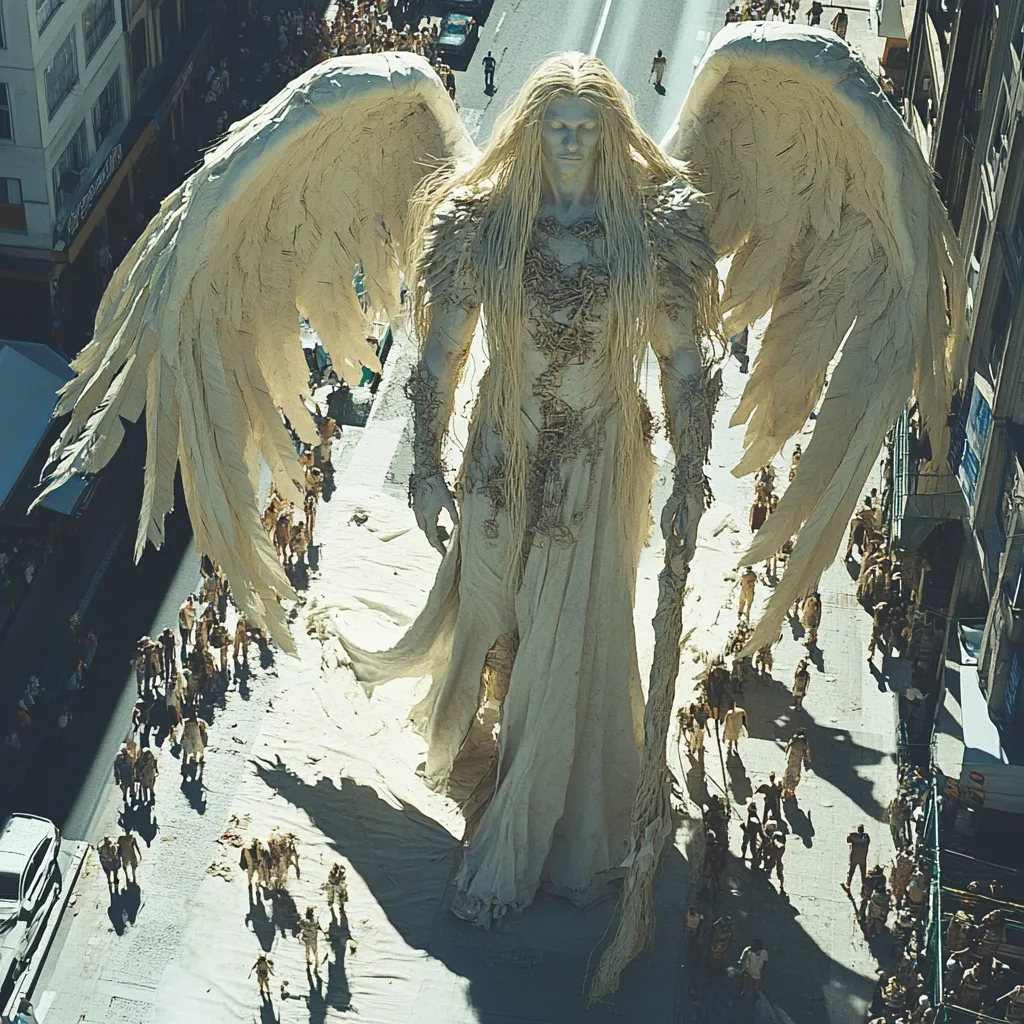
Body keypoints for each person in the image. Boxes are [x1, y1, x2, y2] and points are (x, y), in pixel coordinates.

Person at [341, 53, 723, 923]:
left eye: (588, 127)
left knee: (560, 651)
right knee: (488, 616)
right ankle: (477, 750)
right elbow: (440, 356)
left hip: (593, 475)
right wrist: (427, 469)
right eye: (557, 124)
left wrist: (690, 475)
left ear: (614, 131)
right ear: (530, 127)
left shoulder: (651, 232)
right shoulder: (484, 225)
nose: (572, 140)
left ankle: (525, 849)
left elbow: (683, 361)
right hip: (498, 455)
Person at [782, 727, 810, 798]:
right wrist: (806, 760)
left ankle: (786, 786)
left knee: (790, 772)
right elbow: (806, 752)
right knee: (795, 775)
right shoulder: (804, 742)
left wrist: (786, 755)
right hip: (797, 760)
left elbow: (788, 746)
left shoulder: (794, 739)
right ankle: (790, 789)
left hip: (791, 759)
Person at [843, 824, 870, 891]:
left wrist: (851, 833)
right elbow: (868, 840)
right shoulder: (866, 837)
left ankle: (848, 885)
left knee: (851, 872)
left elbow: (848, 840)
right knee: (863, 873)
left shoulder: (854, 836)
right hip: (862, 858)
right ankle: (864, 886)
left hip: (854, 858)